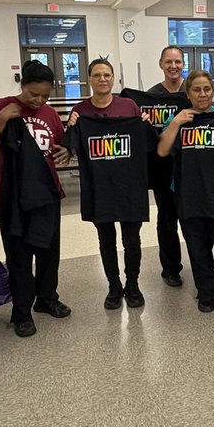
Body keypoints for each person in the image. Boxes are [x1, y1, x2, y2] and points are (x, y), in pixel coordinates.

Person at [0, 61, 71, 338]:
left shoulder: (48, 113)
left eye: (45, 95)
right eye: (33, 93)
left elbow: (60, 142)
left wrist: (66, 152)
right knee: (19, 256)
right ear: (22, 85)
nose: (39, 100)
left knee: (49, 251)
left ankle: (47, 298)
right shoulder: (1, 107)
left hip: (47, 193)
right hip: (12, 196)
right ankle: (22, 312)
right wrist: (0, 122)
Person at [157, 70, 214, 313]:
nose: (203, 94)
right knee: (198, 247)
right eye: (196, 89)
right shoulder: (179, 119)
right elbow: (163, 151)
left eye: (207, 89)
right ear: (188, 93)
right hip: (189, 195)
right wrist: (175, 123)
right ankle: (205, 292)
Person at [67, 58, 147, 309]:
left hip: (129, 185)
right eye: (97, 75)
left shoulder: (129, 106)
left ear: (114, 79)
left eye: (107, 75)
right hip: (99, 186)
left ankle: (132, 283)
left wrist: (143, 124)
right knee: (106, 238)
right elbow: (68, 146)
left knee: (132, 239)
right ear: (89, 79)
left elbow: (145, 142)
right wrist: (70, 128)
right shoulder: (80, 112)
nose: (103, 79)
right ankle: (114, 285)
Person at [147, 46, 187, 287]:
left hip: (190, 166)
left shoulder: (191, 91)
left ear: (183, 64)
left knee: (192, 218)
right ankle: (170, 268)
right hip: (161, 167)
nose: (173, 66)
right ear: (161, 64)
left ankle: (203, 263)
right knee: (167, 219)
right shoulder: (151, 96)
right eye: (169, 62)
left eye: (178, 62)